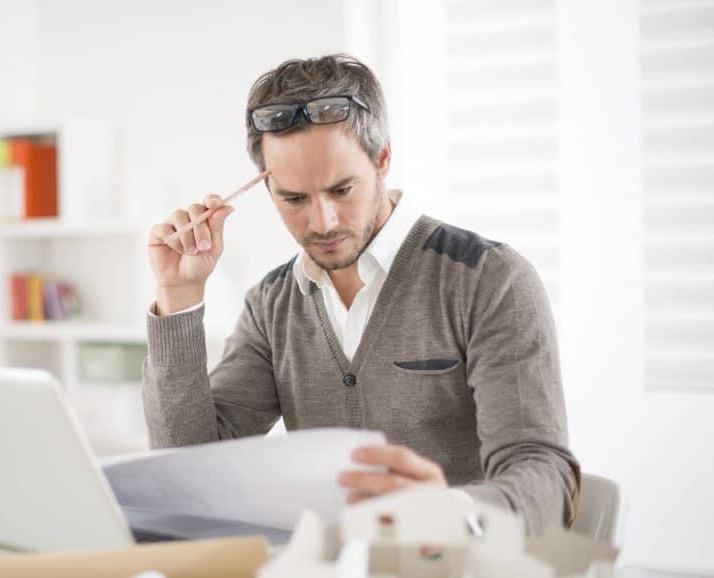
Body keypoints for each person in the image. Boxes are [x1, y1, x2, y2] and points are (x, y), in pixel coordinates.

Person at [142, 54, 579, 536]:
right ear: (266, 186)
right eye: (294, 199)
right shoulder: (271, 306)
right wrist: (178, 298)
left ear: (383, 158)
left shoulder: (489, 280)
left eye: (342, 189)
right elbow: (189, 472)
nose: (323, 222)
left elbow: (545, 475)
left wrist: (454, 513)